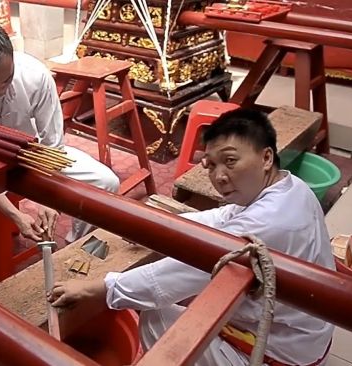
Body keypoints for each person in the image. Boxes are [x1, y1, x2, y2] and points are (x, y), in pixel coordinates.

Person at [48, 108, 334, 366]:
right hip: (305, 332)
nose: (219, 176)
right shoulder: (289, 185)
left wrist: (99, 288)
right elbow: (222, 218)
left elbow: (177, 275)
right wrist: (155, 230)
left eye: (230, 161)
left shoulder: (268, 222)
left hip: (284, 351)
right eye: (210, 165)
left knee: (156, 315)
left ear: (266, 156)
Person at [0, 23, 120, 287]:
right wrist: (14, 214)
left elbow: (53, 141)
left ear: (13, 59)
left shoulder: (35, 74)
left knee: (105, 182)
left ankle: (75, 249)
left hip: (33, 155)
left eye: (6, 80)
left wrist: (48, 196)